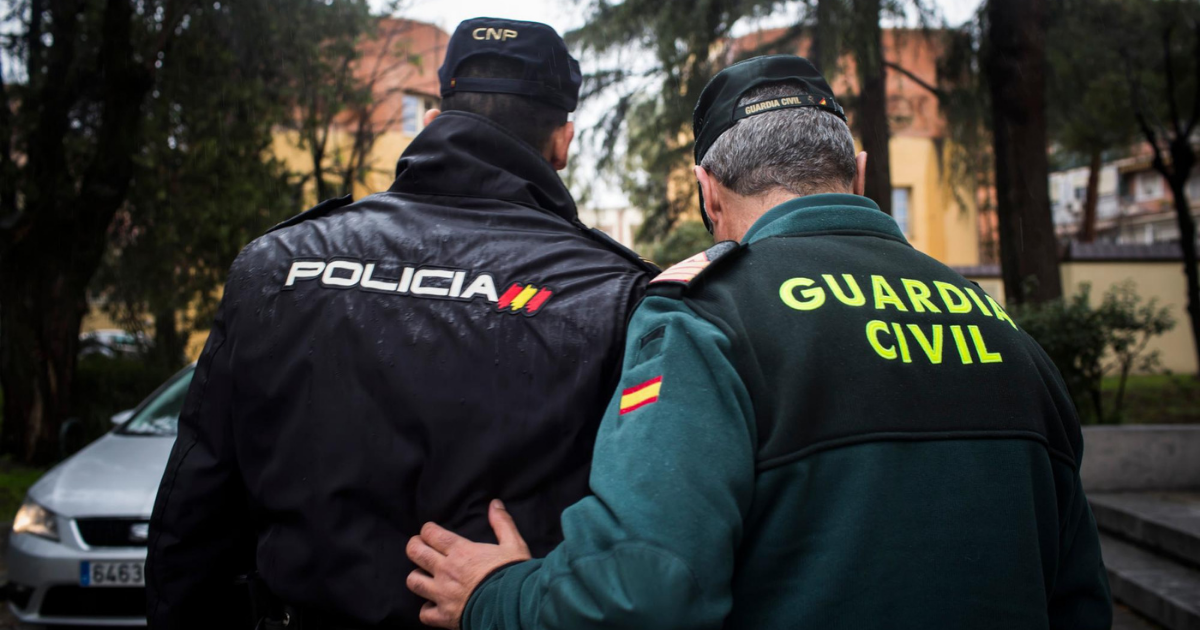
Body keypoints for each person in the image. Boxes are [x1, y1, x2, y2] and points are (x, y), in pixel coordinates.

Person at [405, 54, 1113, 630]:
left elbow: (643, 593)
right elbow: (1080, 601)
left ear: (707, 191)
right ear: (860, 172)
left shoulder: (704, 320)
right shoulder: (1006, 333)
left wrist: (497, 596)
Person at [146, 17, 656, 629]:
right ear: (563, 142)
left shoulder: (274, 265)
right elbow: (644, 549)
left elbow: (193, 518)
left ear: (435, 120)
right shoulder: (616, 293)